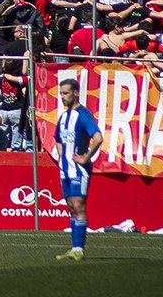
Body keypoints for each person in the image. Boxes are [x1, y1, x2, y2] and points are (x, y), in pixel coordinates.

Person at [54, 78, 102, 262]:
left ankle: (79, 249)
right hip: (64, 170)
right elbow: (58, 139)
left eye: (65, 93)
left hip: (78, 170)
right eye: (61, 93)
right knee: (71, 207)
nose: (62, 96)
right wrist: (61, 154)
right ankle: (75, 248)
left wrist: (85, 157)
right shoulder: (63, 117)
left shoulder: (83, 114)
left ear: (75, 93)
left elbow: (98, 138)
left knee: (78, 205)